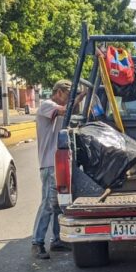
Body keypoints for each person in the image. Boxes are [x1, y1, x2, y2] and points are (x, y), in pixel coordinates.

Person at [31, 79, 79, 259]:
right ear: (58, 92)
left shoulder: (60, 110)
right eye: (67, 95)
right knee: (48, 204)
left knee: (59, 204)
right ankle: (37, 242)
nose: (68, 99)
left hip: (58, 163)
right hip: (49, 163)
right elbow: (65, 110)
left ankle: (57, 241)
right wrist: (80, 96)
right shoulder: (47, 105)